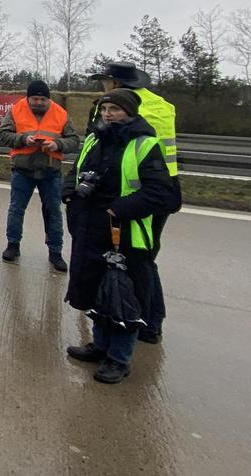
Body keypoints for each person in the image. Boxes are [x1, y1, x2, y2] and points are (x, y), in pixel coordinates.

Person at [63, 89, 177, 384]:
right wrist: (68, 193)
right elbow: (76, 171)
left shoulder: (145, 144)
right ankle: (100, 345)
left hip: (124, 233)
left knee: (123, 296)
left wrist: (120, 208)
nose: (107, 114)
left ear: (129, 112)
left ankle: (119, 358)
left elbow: (161, 192)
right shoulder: (94, 139)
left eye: (114, 109)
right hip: (91, 228)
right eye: (104, 108)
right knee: (97, 291)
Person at [88, 61, 180, 343]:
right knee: (147, 257)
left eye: (105, 81)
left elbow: (102, 144)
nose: (102, 87)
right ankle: (153, 322)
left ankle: (136, 322)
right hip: (166, 186)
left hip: (132, 190)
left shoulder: (116, 107)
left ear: (115, 84)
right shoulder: (162, 104)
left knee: (132, 262)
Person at [0, 80, 80, 271]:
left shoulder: (60, 113)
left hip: (51, 171)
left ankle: (55, 252)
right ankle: (13, 245)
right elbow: (3, 134)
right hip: (22, 170)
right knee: (16, 209)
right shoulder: (16, 110)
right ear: (28, 97)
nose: (39, 102)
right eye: (35, 99)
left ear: (48, 99)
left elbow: (74, 140)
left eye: (43, 99)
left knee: (53, 212)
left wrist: (57, 144)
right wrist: (24, 139)